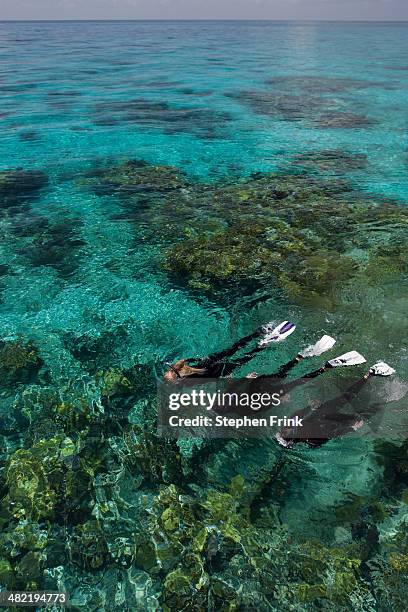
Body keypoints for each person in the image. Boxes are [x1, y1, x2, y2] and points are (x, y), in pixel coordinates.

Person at [275, 362, 396, 449]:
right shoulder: (312, 441)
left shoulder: (291, 425)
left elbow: (298, 414)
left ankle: (369, 374)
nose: (285, 429)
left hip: (321, 414)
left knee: (347, 396)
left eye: (283, 431)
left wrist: (310, 407)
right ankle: (386, 400)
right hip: (331, 423)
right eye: (286, 432)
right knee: (359, 418)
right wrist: (352, 428)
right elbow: (333, 434)